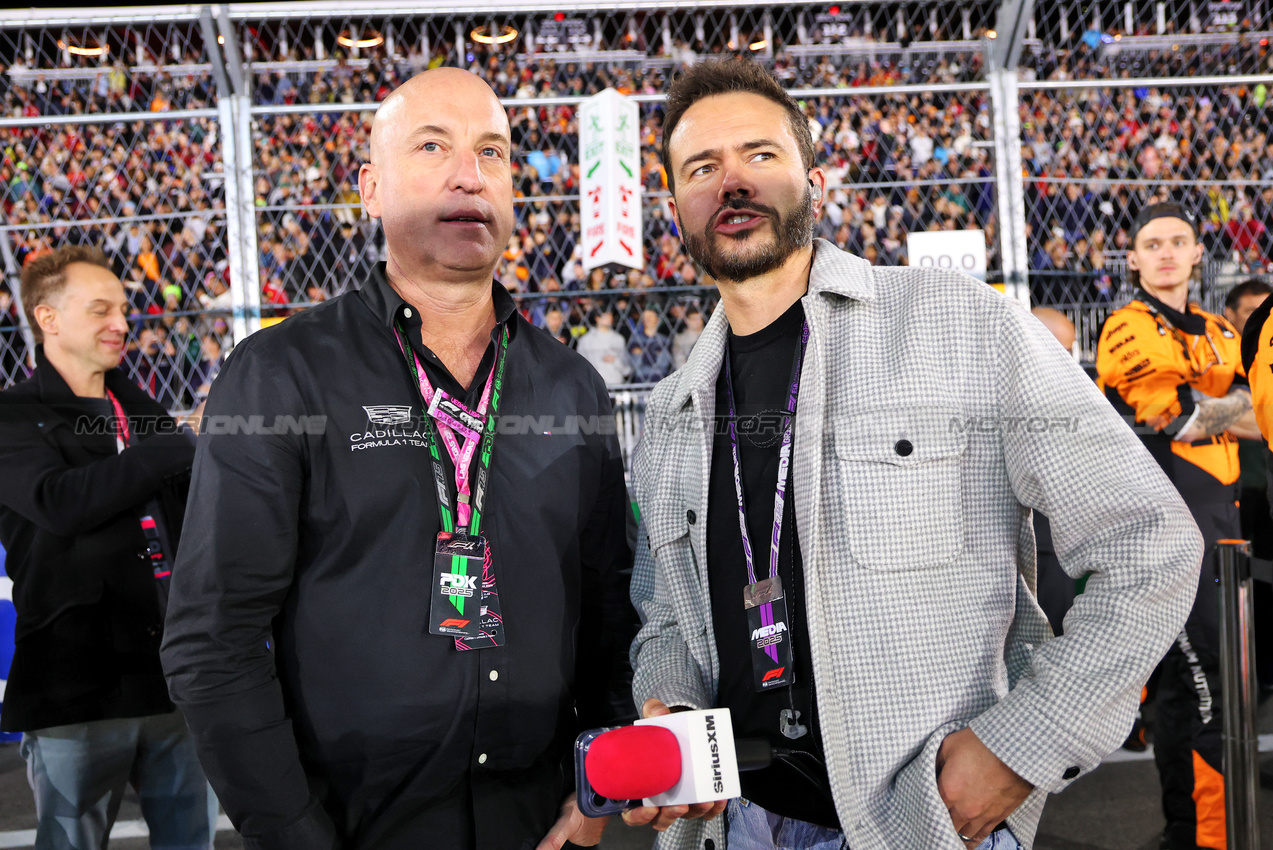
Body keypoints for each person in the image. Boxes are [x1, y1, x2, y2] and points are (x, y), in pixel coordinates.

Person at [625, 59, 1201, 850]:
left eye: (759, 154)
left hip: (922, 823)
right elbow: (665, 618)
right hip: (735, 827)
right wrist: (675, 712)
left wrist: (1022, 746)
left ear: (813, 182)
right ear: (675, 209)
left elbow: (1148, 540)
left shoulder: (957, 323)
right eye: (701, 168)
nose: (732, 182)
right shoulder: (669, 411)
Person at [159, 68, 638, 850]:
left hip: (540, 825)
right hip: (356, 827)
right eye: (432, 147)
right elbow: (213, 638)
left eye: (492, 151)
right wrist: (295, 838)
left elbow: (611, 607)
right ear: (371, 190)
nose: (468, 174)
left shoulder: (569, 384)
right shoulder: (284, 373)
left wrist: (596, 799)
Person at [0, 245, 217, 850]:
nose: (121, 323)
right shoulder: (12, 415)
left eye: (123, 308)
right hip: (76, 687)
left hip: (174, 680)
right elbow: (61, 503)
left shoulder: (141, 412)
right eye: (100, 310)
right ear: (47, 318)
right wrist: (180, 443)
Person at [1095, 203, 1263, 850]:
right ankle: (1205, 836)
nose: (1165, 253)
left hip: (1223, 526)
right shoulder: (1126, 327)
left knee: (1196, 684)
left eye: (1177, 241)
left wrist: (1224, 404)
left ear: (1197, 252)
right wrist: (1235, 405)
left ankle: (1190, 830)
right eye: (1151, 243)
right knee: (1202, 685)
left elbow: (1259, 410)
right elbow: (1177, 417)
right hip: (1169, 531)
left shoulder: (1220, 328)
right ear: (1133, 258)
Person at [577, 308, 632, 385]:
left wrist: (615, 361)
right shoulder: (586, 340)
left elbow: (626, 368)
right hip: (595, 384)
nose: (610, 319)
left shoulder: (618, 339)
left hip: (617, 382)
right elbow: (581, 364)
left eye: (610, 316)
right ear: (597, 318)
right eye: (606, 316)